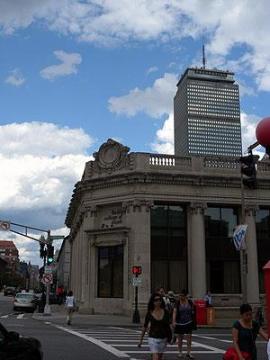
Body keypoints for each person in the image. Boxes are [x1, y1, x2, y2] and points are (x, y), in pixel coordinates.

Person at [138, 292, 171, 360]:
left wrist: (173, 335)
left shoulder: (166, 312)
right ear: (152, 302)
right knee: (155, 357)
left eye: (159, 300)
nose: (158, 301)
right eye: (156, 300)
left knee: (159, 357)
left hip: (163, 338)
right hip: (152, 337)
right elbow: (145, 326)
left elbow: (169, 325)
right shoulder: (150, 313)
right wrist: (141, 340)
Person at [172, 289, 196, 359]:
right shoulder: (177, 303)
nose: (180, 297)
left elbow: (193, 311)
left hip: (189, 322)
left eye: (182, 295)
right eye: (180, 295)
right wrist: (173, 321)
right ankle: (180, 352)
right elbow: (174, 312)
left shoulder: (190, 302)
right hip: (179, 322)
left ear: (186, 296)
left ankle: (189, 352)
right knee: (180, 338)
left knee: (189, 338)